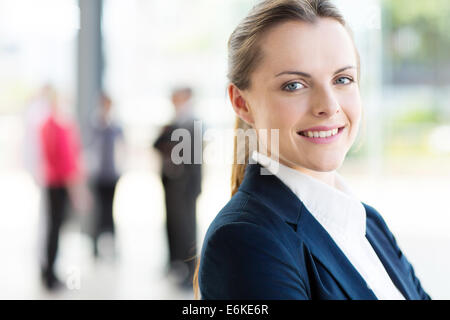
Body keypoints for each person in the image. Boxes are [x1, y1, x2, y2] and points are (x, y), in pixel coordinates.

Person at [195, 0, 431, 300]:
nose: (329, 106)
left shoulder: (369, 224)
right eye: (294, 85)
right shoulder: (246, 241)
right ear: (242, 103)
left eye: (342, 79)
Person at [154, 87, 202, 289]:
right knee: (173, 225)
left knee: (186, 228)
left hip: (185, 186)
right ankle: (175, 264)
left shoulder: (192, 123)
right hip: (171, 183)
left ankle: (190, 272)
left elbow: (193, 159)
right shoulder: (175, 123)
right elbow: (157, 144)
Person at [39, 90, 85, 290]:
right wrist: (77, 190)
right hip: (58, 184)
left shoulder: (48, 126)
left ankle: (48, 271)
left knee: (52, 229)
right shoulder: (57, 127)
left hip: (52, 182)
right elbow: (67, 161)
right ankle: (50, 274)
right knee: (55, 229)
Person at [86, 93, 124, 259]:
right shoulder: (95, 125)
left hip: (112, 174)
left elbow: (122, 148)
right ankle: (95, 246)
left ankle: (112, 244)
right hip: (98, 175)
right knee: (98, 211)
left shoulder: (116, 126)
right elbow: (89, 147)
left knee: (110, 210)